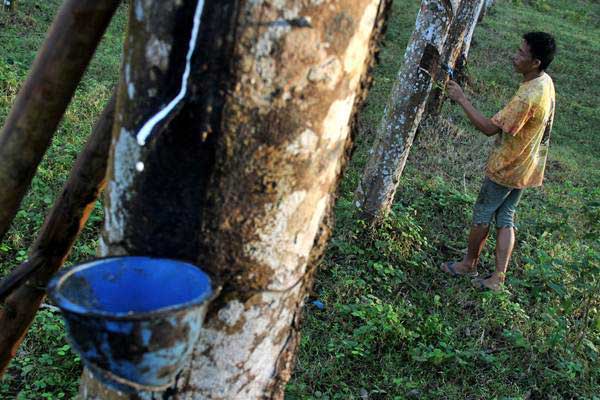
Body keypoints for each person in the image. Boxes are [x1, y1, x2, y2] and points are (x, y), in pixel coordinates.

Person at [441, 31, 557, 291]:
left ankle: (468, 264)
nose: (514, 56)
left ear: (536, 62)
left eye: (521, 53)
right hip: (527, 165)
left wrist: (461, 98)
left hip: (507, 167)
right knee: (506, 216)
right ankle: (498, 278)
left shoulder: (527, 97)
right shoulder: (545, 81)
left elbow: (488, 128)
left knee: (483, 213)